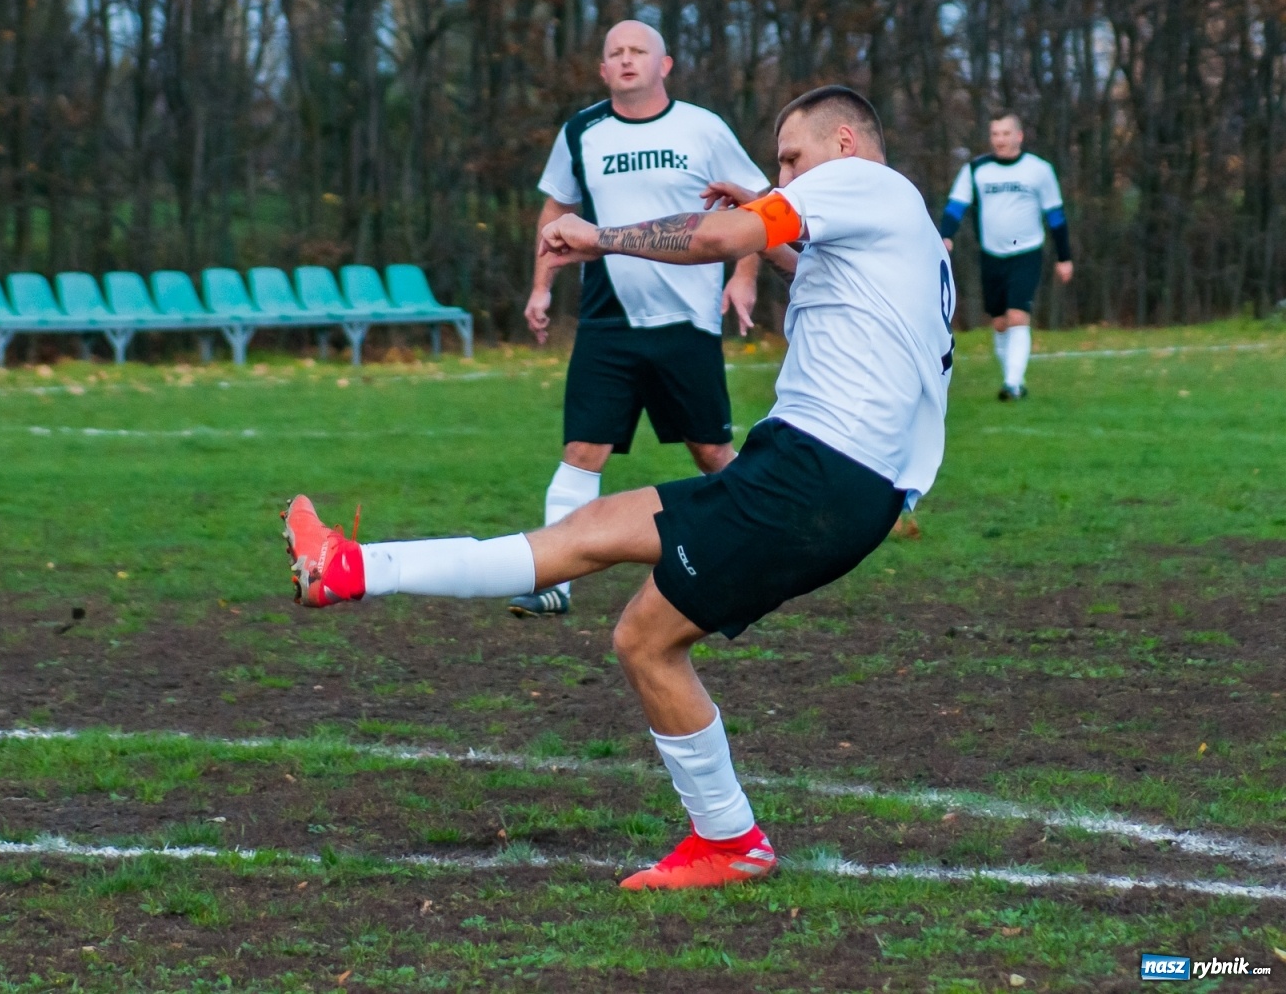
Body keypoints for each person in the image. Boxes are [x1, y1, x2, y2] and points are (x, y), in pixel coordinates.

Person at [282, 85, 954, 890]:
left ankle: (731, 842)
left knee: (645, 640)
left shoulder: (859, 180)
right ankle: (350, 569)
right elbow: (802, 259)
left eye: (789, 160)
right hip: (818, 472)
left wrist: (600, 237)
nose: (782, 178)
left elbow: (719, 239)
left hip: (817, 477)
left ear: (844, 142)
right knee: (591, 528)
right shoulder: (896, 216)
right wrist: (760, 217)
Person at [514, 19, 789, 619]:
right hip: (607, 319)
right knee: (582, 448)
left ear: (664, 66)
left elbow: (760, 207)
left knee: (711, 451)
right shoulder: (581, 131)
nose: (627, 59)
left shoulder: (703, 128)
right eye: (615, 52)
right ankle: (553, 581)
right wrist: (541, 286)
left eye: (639, 50)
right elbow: (557, 207)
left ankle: (769, 553)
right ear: (603, 70)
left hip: (687, 319)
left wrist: (743, 277)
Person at [939, 111, 1072, 401]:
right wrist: (945, 235)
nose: (1000, 140)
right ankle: (1010, 377)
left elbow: (1056, 215)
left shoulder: (1039, 170)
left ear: (1019, 136)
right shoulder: (976, 170)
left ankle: (1013, 384)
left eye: (1006, 134)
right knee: (999, 322)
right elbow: (956, 205)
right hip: (992, 255)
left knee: (1017, 315)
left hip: (1027, 252)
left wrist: (1064, 257)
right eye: (995, 134)